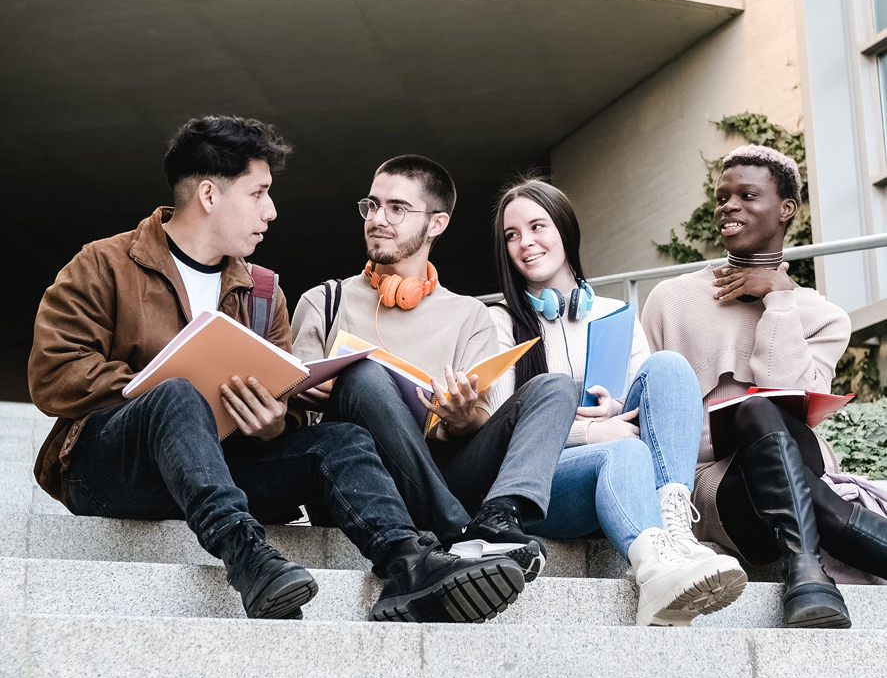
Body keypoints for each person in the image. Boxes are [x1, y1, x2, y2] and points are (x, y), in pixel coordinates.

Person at [28, 116, 525, 625]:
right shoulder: (104, 264)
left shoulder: (265, 293)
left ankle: (409, 564)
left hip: (217, 472)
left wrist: (272, 422)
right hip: (114, 470)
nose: (271, 210)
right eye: (259, 193)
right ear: (209, 195)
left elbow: (281, 414)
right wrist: (173, 392)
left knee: (343, 441)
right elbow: (54, 374)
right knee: (178, 396)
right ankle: (249, 559)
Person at [291, 155, 578, 581]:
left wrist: (463, 418)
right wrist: (305, 392)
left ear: (437, 224)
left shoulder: (469, 315)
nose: (377, 219)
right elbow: (294, 420)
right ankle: (458, 530)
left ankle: (500, 515)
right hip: (360, 484)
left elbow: (474, 424)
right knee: (365, 374)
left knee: (556, 386)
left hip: (444, 470)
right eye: (371, 206)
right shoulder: (324, 301)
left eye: (397, 209)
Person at [642, 143, 887, 628]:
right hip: (718, 488)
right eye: (722, 197)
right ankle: (812, 564)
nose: (728, 207)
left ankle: (806, 573)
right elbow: (651, 409)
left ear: (786, 209)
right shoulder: (671, 300)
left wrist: (779, 301)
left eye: (747, 195)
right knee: (754, 413)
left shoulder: (823, 317)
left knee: (761, 410)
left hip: (799, 461)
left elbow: (789, 394)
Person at [488, 177, 747, 626]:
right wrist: (591, 431)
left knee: (668, 366)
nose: (525, 243)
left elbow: (657, 423)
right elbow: (497, 425)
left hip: (625, 478)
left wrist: (616, 411)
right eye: (512, 235)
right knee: (622, 448)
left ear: (565, 230)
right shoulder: (499, 322)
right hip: (546, 486)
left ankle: (676, 532)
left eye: (537, 227)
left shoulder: (615, 315)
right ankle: (655, 573)